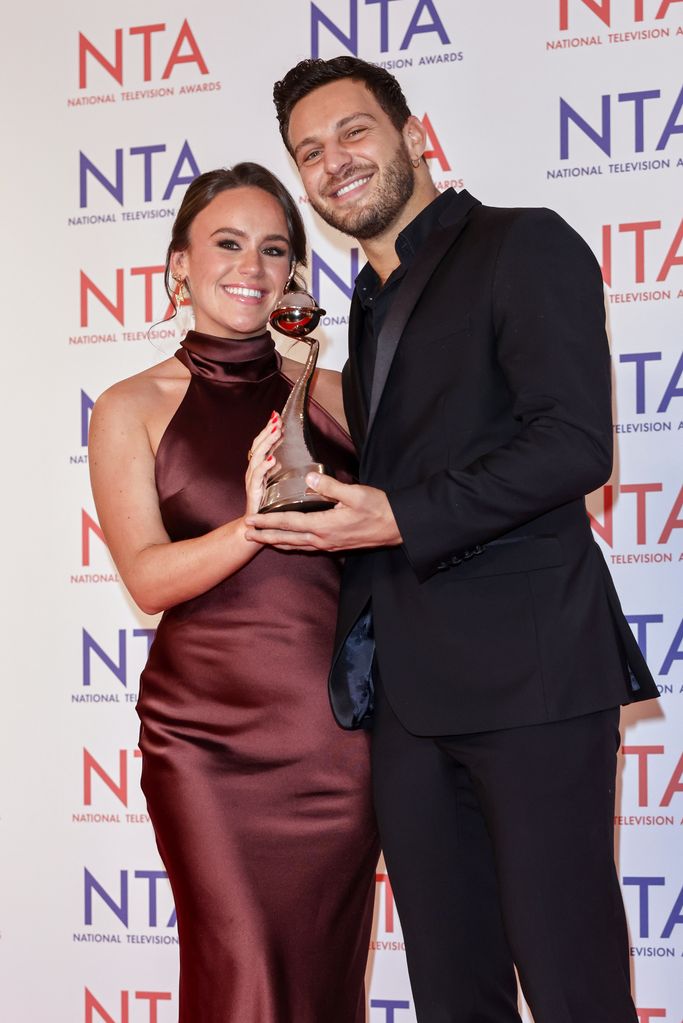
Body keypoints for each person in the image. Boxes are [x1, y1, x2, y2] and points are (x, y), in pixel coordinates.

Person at [244, 58, 661, 1023]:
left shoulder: (522, 245)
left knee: (570, 983)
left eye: (353, 132)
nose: (332, 162)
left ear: (412, 131)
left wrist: (394, 514)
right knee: (449, 989)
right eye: (309, 152)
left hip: (532, 676)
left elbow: (571, 443)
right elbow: (415, 463)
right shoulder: (366, 302)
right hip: (408, 695)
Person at [88, 162, 379, 1023]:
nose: (251, 265)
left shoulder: (335, 398)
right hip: (203, 741)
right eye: (226, 243)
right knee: (238, 971)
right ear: (179, 264)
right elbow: (146, 575)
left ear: (294, 272)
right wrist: (250, 522)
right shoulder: (131, 406)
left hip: (334, 739)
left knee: (324, 982)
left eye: (274, 248)